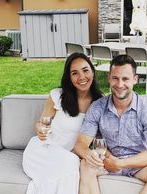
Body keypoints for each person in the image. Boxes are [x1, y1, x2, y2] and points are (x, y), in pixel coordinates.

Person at [74, 55, 147, 194]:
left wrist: (120, 164)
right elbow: (80, 144)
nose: (119, 85)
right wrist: (92, 155)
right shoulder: (97, 107)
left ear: (135, 79)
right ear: (109, 78)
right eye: (115, 78)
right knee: (85, 165)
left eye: (125, 79)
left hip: (137, 163)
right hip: (105, 161)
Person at [22, 52, 103, 194]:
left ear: (93, 72)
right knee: (71, 162)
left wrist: (97, 157)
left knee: (71, 162)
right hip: (44, 150)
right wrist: (41, 128)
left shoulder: (100, 103)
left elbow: (100, 137)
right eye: (74, 73)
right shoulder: (58, 96)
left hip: (69, 158)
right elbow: (43, 122)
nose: (82, 77)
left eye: (85, 70)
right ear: (69, 77)